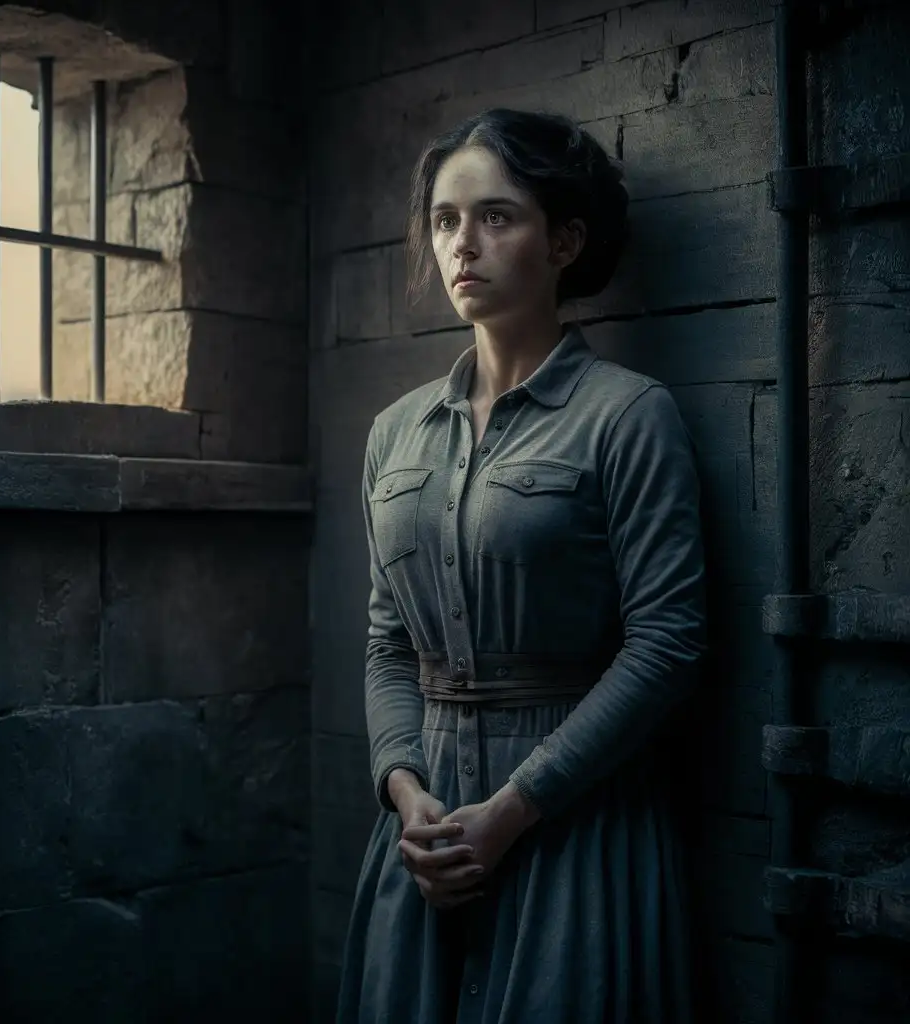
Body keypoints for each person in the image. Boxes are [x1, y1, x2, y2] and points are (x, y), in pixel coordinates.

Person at [335, 107, 707, 1024]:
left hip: (574, 825)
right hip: (421, 843)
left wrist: (514, 809)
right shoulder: (395, 433)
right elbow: (387, 642)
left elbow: (669, 643)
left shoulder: (627, 416)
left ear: (565, 239)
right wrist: (404, 791)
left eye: (498, 217)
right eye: (446, 220)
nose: (465, 244)